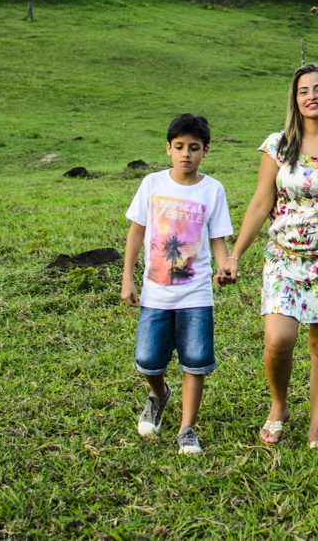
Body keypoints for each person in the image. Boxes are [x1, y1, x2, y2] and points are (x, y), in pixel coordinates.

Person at [226, 64, 318, 453]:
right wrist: (236, 254)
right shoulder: (278, 144)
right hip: (284, 258)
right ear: (295, 99)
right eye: (304, 90)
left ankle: (316, 432)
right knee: (278, 341)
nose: (312, 95)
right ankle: (279, 406)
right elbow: (261, 202)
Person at [121, 113, 234, 455]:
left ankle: (187, 429)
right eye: (180, 146)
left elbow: (217, 238)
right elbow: (137, 231)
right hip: (155, 293)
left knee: (196, 360)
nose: (187, 153)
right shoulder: (152, 184)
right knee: (147, 360)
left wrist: (225, 265)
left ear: (206, 151)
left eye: (195, 148)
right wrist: (127, 277)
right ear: (168, 149)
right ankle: (159, 394)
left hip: (196, 292)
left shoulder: (212, 189)